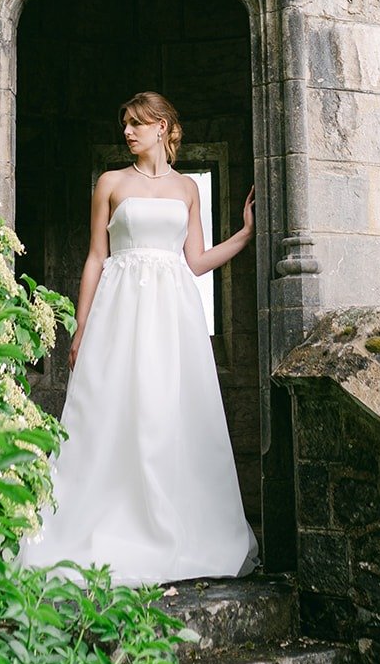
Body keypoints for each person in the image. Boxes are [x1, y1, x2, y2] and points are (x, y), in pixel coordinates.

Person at [17, 91, 259, 588]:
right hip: (119, 309)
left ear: (163, 127)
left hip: (172, 315)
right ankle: (99, 519)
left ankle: (177, 526)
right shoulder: (110, 182)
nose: (127, 131)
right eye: (124, 122)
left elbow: (193, 262)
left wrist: (243, 235)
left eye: (137, 123)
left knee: (167, 411)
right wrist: (81, 327)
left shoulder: (188, 189)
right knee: (112, 408)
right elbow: (93, 258)